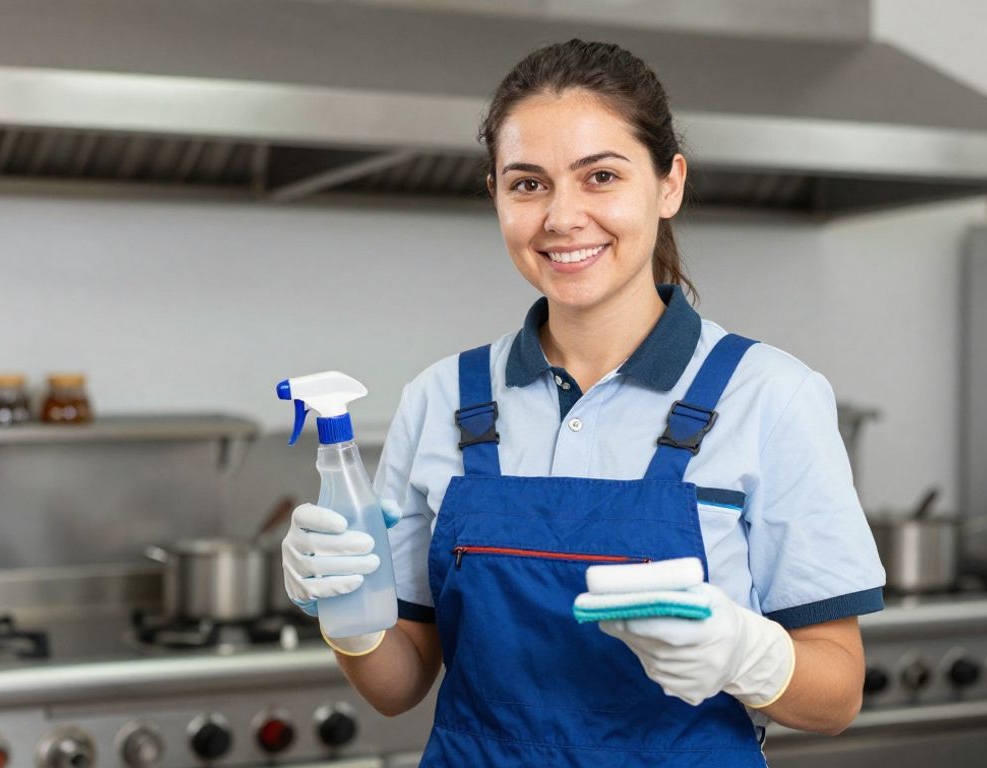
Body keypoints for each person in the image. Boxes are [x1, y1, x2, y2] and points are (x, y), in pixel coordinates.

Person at [280, 39, 885, 767]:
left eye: (601, 176)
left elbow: (836, 695)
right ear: (496, 196)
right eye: (528, 184)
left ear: (668, 185)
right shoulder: (440, 399)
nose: (562, 217)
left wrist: (744, 654)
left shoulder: (770, 396)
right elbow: (398, 685)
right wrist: (348, 613)